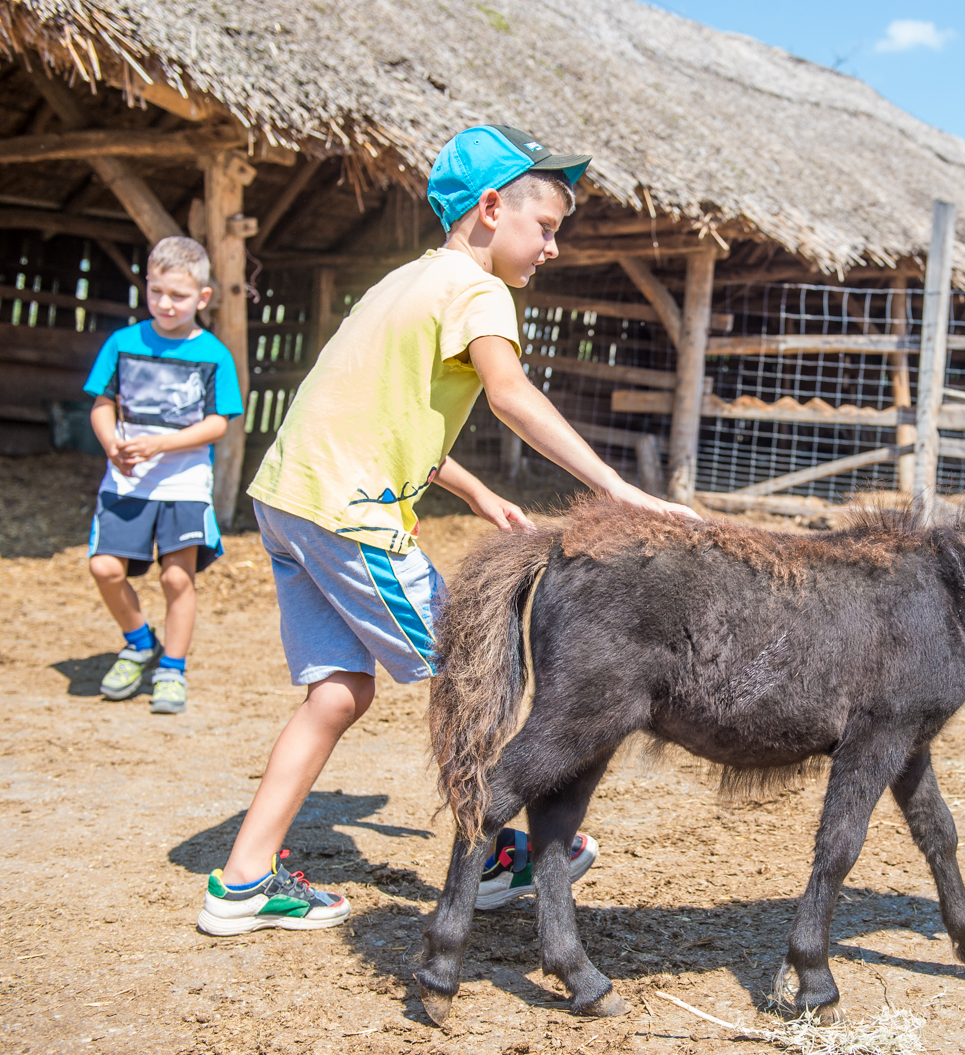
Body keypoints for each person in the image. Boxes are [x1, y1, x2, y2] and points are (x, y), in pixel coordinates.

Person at [197, 125, 699, 935]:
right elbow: (509, 393)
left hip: (290, 502)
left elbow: (367, 410)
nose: (554, 248)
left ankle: (243, 879)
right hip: (350, 510)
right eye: (546, 227)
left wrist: (470, 487)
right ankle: (501, 852)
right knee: (474, 658)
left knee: (338, 690)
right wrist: (617, 488)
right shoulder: (477, 290)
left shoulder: (402, 283)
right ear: (493, 208)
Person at [84, 236, 243, 716]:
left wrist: (160, 443)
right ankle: (138, 643)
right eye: (156, 292)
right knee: (104, 568)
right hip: (126, 482)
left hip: (184, 484)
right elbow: (102, 404)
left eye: (177, 295)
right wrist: (111, 443)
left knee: (177, 579)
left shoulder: (214, 354)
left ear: (203, 297)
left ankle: (171, 668)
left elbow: (219, 422)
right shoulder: (122, 343)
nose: (165, 304)